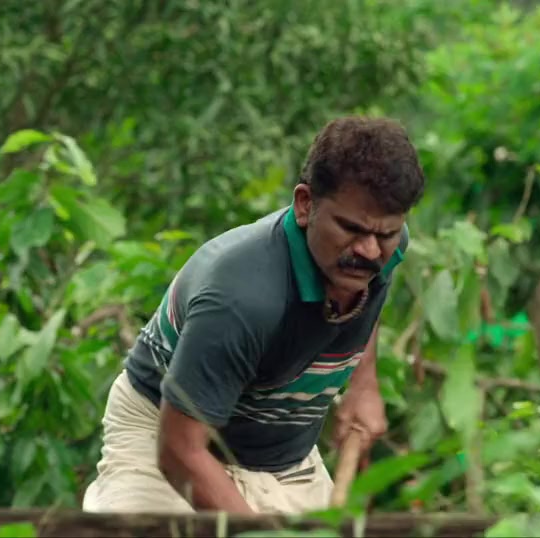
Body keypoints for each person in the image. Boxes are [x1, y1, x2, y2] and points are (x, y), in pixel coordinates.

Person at [81, 116, 426, 514]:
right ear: (305, 204)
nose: (369, 251)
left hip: (280, 452)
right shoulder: (242, 297)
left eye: (385, 234)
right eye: (351, 229)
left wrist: (364, 385)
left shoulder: (381, 247)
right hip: (168, 432)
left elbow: (366, 295)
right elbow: (179, 449)